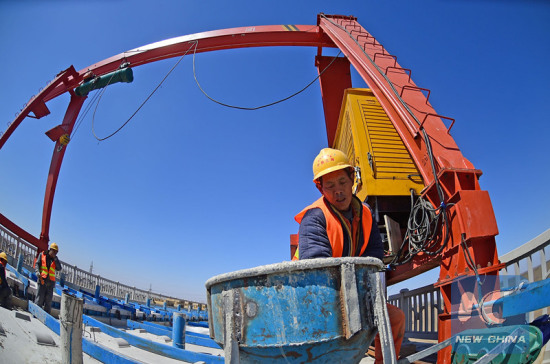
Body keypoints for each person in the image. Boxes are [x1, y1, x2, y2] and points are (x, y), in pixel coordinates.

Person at [294, 148, 405, 363]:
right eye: (330, 186)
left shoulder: (365, 214)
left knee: (395, 318)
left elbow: (374, 258)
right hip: (314, 299)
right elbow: (317, 273)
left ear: (352, 179)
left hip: (350, 294)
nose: (338, 191)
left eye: (343, 182)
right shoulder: (314, 217)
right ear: (321, 189)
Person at [34, 242, 62, 313]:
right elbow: (37, 264)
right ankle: (36, 313)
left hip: (50, 283)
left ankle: (46, 316)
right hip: (42, 280)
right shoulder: (42, 255)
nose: (55, 254)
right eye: (54, 252)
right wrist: (37, 272)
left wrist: (56, 259)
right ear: (50, 250)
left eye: (56, 253)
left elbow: (59, 268)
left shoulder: (55, 259)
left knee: (48, 301)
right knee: (39, 299)